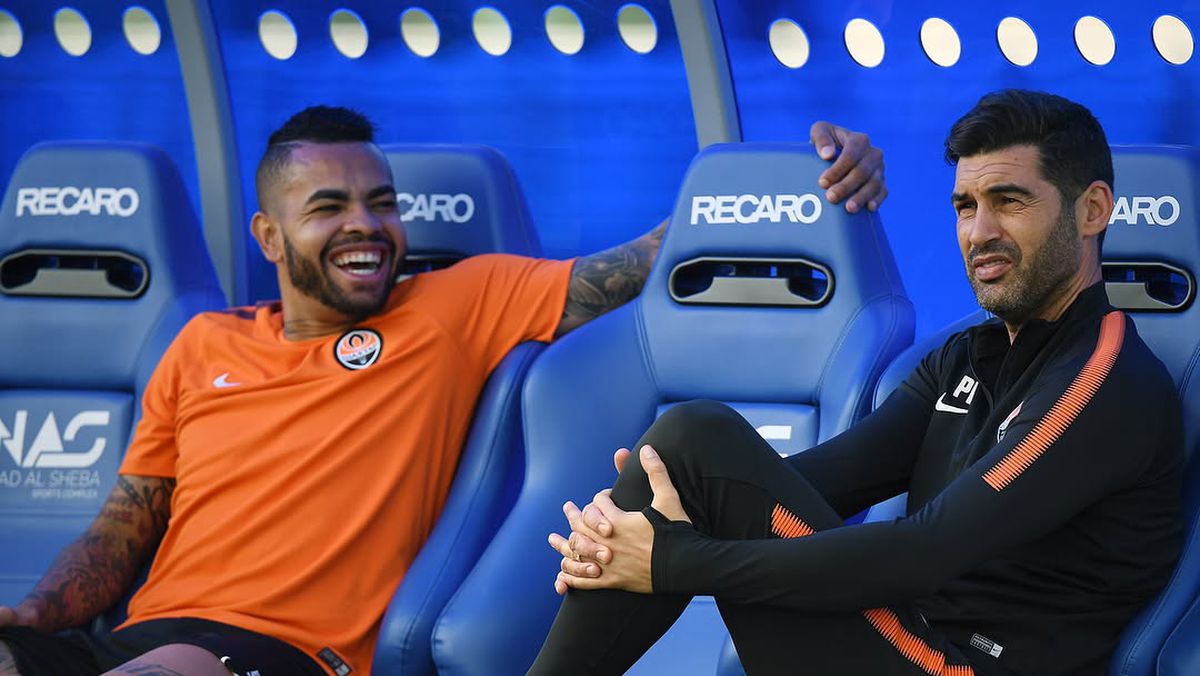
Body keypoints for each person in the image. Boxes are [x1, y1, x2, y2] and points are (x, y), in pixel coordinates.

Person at [0, 106, 886, 676]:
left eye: (381, 203)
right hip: (136, 642)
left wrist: (815, 177)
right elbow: (122, 525)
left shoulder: (457, 305)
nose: (366, 226)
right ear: (268, 236)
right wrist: (33, 616)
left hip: (284, 655)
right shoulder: (203, 344)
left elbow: (672, 251)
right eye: (329, 208)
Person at [536, 89, 1184, 676]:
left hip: (966, 664)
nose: (980, 232)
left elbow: (924, 552)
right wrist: (654, 511)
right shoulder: (964, 358)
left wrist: (670, 560)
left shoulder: (1106, 380)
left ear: (1092, 210)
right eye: (965, 207)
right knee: (687, 448)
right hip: (903, 638)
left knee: (692, 445)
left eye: (1009, 202)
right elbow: (803, 485)